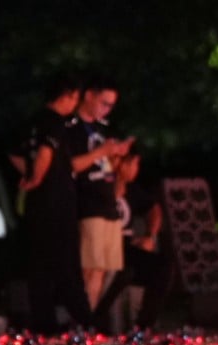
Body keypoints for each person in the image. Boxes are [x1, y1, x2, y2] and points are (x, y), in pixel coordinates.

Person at [9, 75, 92, 333]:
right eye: (75, 99)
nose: (74, 105)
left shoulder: (32, 121)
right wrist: (36, 178)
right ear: (66, 96)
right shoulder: (56, 123)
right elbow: (46, 151)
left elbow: (13, 152)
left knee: (40, 265)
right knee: (66, 263)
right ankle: (86, 321)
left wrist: (27, 175)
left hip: (37, 205)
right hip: (56, 202)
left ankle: (44, 323)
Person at [66, 77, 134, 310]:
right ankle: (80, 321)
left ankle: (90, 317)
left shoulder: (102, 129)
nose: (106, 110)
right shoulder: (71, 128)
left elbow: (106, 166)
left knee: (103, 269)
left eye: (111, 105)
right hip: (88, 205)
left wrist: (116, 155)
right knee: (87, 267)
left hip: (108, 206)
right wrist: (101, 152)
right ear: (89, 96)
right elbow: (71, 165)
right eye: (104, 103)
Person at [92, 151, 172, 332]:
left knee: (162, 266)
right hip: (104, 245)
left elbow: (154, 209)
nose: (136, 169)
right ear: (122, 165)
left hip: (127, 247)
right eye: (134, 164)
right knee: (123, 272)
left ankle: (143, 328)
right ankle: (96, 323)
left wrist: (149, 235)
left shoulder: (132, 190)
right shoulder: (102, 184)